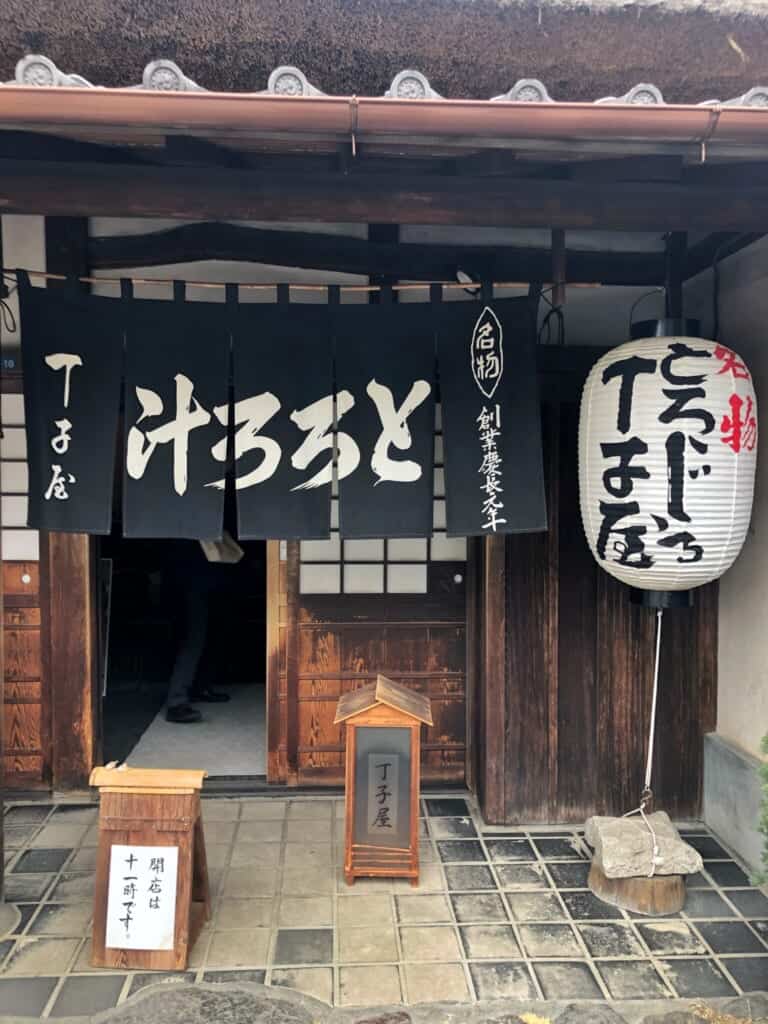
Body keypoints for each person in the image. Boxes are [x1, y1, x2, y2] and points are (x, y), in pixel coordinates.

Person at [164, 540, 232, 723]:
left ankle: (199, 686)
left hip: (205, 575)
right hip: (190, 578)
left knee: (210, 634)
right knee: (194, 638)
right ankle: (176, 702)